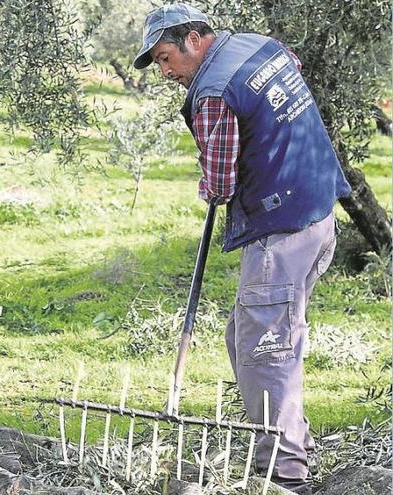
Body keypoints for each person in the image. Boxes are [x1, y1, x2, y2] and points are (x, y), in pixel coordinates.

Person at [132, 4, 351, 495]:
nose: (167, 73)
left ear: (193, 38)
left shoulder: (212, 91)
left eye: (167, 58)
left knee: (265, 351)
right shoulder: (258, 45)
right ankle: (292, 441)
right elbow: (289, 70)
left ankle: (285, 472)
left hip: (284, 231)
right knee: (248, 336)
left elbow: (220, 183)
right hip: (318, 212)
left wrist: (208, 188)